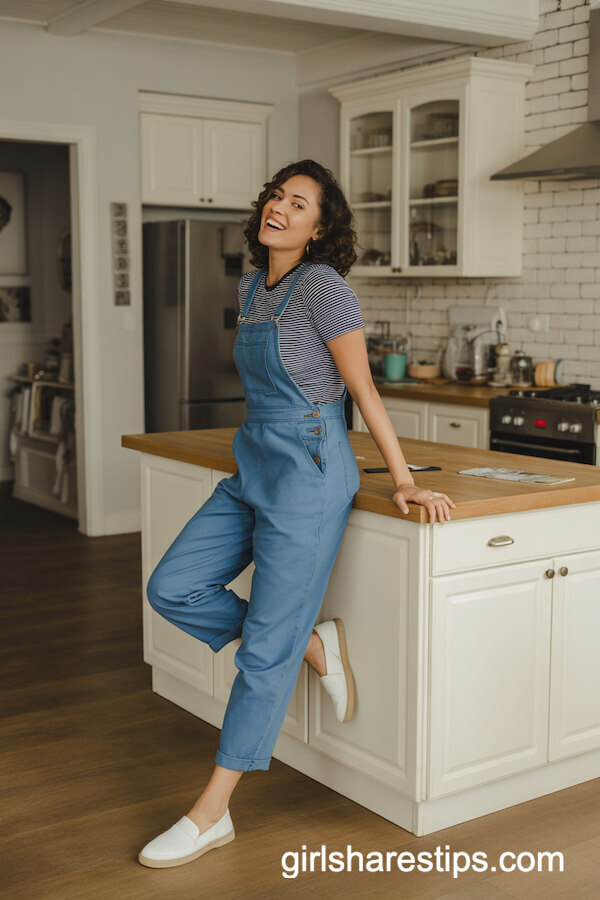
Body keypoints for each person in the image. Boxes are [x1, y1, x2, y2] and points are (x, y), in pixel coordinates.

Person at [138, 159, 455, 869]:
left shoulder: (324, 287)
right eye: (277, 196)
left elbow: (362, 390)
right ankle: (307, 644)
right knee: (172, 587)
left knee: (261, 655)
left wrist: (403, 480)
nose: (279, 208)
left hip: (310, 472)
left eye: (299, 203)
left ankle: (211, 813)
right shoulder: (252, 285)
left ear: (318, 228)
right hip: (254, 461)